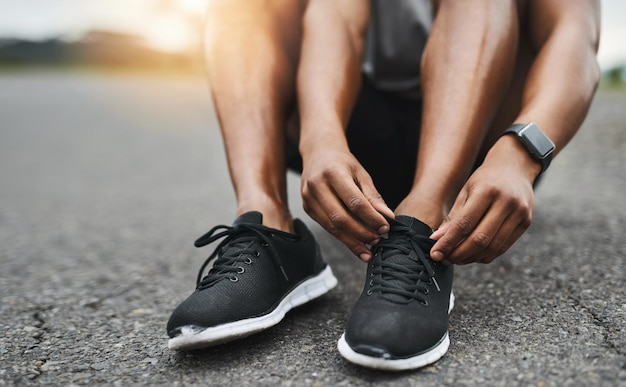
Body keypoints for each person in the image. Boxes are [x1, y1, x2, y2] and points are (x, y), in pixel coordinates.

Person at [166, 0, 600, 371]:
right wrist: (321, 137)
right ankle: (268, 223)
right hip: (356, 141)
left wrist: (521, 155)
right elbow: (336, 17)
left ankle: (424, 218)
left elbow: (576, 33)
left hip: (483, 154)